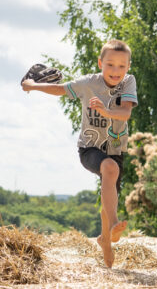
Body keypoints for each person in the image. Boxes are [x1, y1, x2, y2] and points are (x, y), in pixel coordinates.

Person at [21, 39, 137, 267]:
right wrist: (33, 86)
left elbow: (125, 113)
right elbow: (61, 89)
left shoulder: (128, 82)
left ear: (128, 67)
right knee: (110, 168)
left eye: (121, 66)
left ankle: (105, 239)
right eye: (110, 64)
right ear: (100, 63)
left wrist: (105, 111)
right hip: (89, 148)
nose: (116, 71)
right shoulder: (88, 83)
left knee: (110, 190)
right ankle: (114, 224)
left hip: (115, 149)